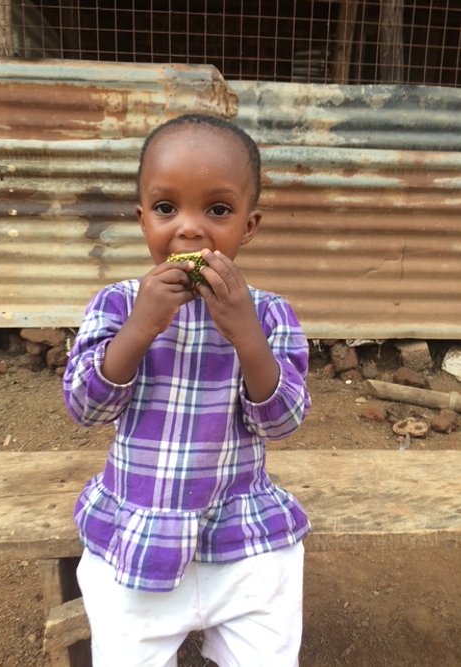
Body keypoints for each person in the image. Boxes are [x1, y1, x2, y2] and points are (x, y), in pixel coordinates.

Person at [63, 113, 311, 667]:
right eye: (166, 208)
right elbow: (84, 406)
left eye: (218, 210)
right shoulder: (118, 304)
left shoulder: (269, 313)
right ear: (142, 219)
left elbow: (284, 420)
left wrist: (246, 335)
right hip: (138, 538)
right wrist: (140, 328)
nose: (190, 229)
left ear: (249, 225)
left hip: (242, 540)